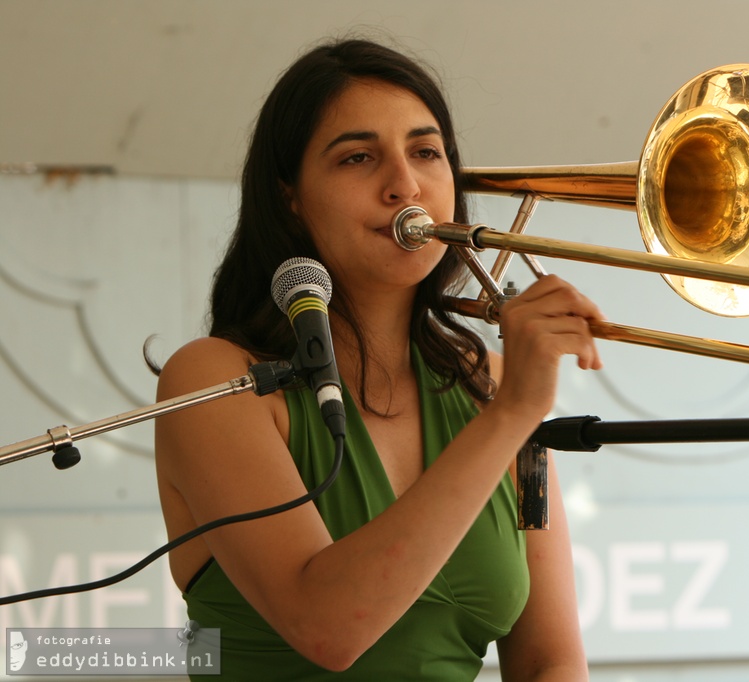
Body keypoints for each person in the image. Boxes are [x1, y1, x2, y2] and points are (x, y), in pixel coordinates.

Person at [154, 37, 602, 680]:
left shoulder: (495, 387)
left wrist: (511, 408)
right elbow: (328, 628)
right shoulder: (214, 378)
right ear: (290, 196)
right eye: (359, 158)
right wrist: (514, 415)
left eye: (426, 152)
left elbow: (550, 663)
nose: (405, 184)